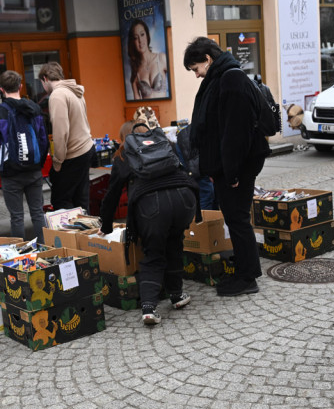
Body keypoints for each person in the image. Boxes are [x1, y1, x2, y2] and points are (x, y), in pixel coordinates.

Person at [185, 37, 270, 297]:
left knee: (237, 218)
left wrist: (231, 172)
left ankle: (248, 277)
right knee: (235, 217)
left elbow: (235, 132)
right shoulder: (221, 79)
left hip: (237, 165)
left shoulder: (230, 79)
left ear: (208, 60)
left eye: (196, 69)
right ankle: (245, 267)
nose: (197, 75)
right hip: (227, 165)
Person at [100, 109, 199, 327]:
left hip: (153, 207)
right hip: (184, 199)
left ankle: (149, 308)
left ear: (123, 139)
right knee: (174, 244)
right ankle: (177, 295)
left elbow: (112, 195)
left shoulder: (125, 154)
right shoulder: (164, 144)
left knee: (153, 252)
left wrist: (105, 226)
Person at [0, 71, 49, 240]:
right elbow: (43, 140)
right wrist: (39, 164)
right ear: (21, 86)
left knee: (17, 217)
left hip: (10, 173)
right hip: (34, 170)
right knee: (37, 213)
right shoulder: (34, 108)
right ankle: (45, 251)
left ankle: (19, 256)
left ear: (1, 89)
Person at [40, 62, 94, 210]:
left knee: (60, 200)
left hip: (72, 154)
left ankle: (67, 233)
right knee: (81, 200)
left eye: (42, 84)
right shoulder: (74, 91)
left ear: (45, 79)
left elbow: (61, 131)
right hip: (85, 148)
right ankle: (86, 231)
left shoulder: (57, 95)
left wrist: (57, 161)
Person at [127, 19, 169, 100]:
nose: (140, 40)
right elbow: (137, 104)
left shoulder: (161, 59)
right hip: (146, 112)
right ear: (133, 42)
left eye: (142, 34)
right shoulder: (135, 72)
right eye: (136, 38)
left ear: (147, 35)